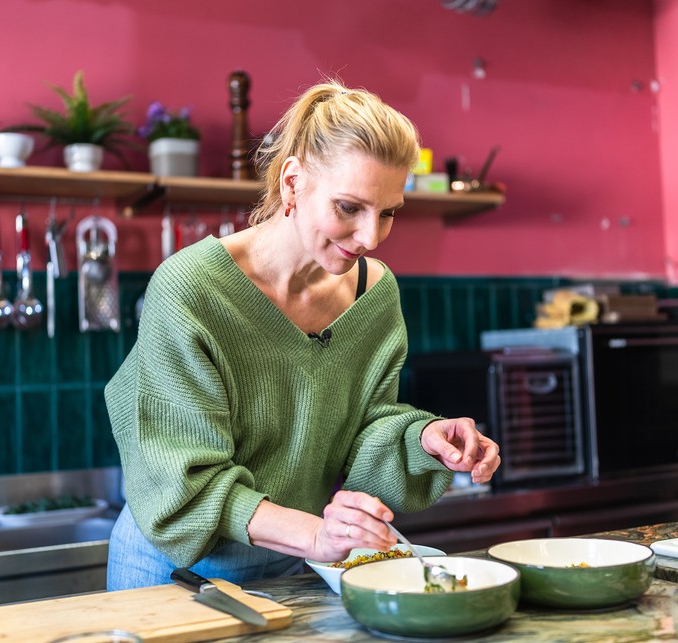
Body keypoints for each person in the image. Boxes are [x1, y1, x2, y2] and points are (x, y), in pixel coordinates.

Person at [105, 79, 501, 591]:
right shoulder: (191, 290)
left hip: (296, 564)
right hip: (174, 573)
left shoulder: (374, 294)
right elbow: (184, 481)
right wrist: (317, 535)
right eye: (349, 208)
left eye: (388, 214)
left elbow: (366, 428)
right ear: (292, 183)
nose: (370, 237)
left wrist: (424, 439)